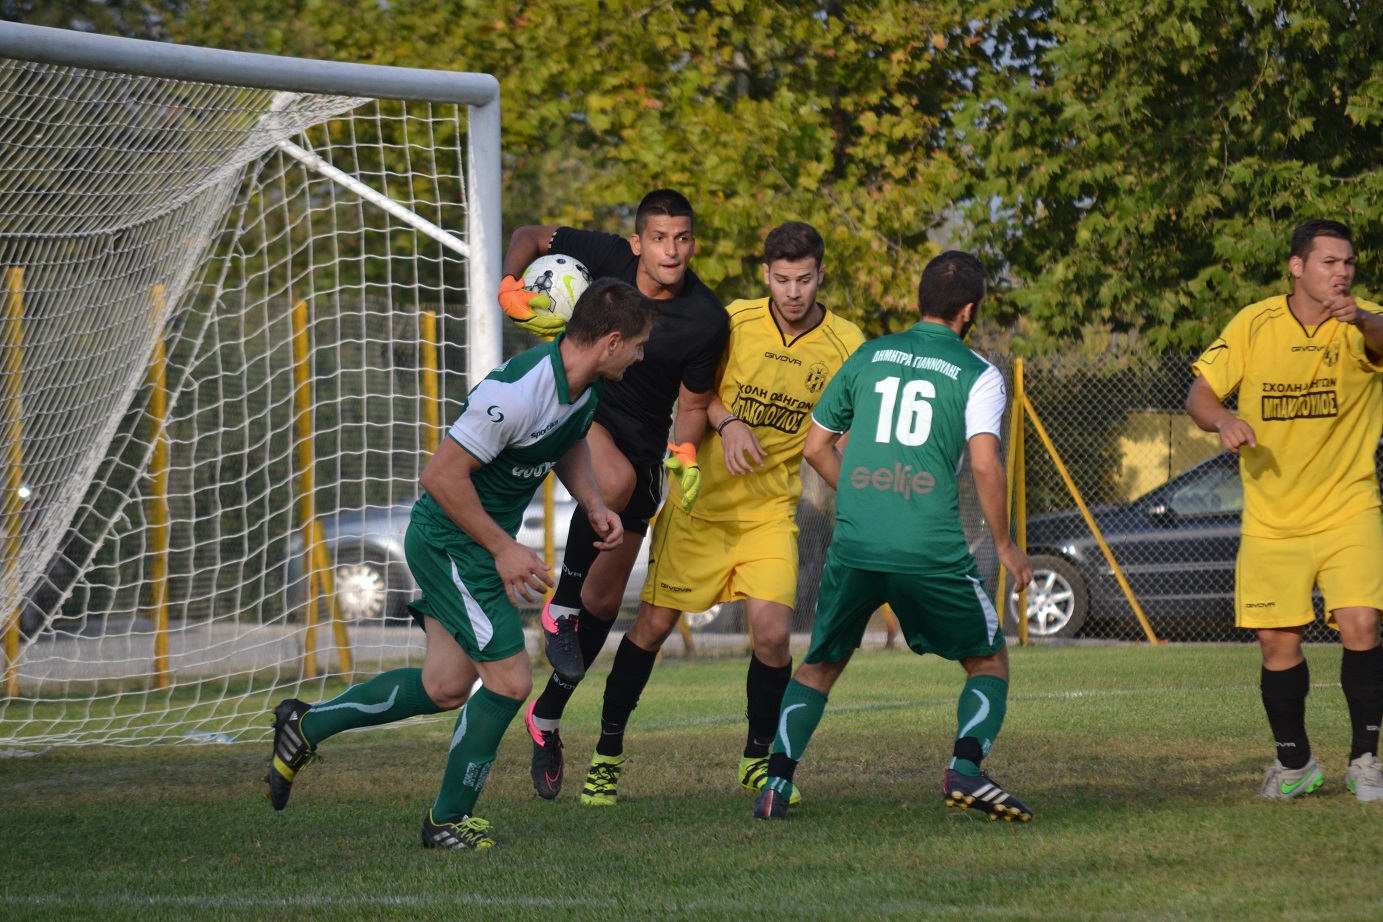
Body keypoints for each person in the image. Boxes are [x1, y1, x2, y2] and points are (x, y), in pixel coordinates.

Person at [263, 279, 659, 849]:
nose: (641, 358)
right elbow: (440, 476)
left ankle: (307, 725)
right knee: (511, 680)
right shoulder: (516, 392)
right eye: (638, 346)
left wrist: (594, 504)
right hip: (450, 543)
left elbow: (568, 440)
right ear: (612, 342)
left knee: (445, 686)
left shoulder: (585, 387)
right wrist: (503, 548)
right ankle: (447, 820)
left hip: (471, 546)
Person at [576, 221, 866, 806]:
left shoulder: (846, 344)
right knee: (651, 629)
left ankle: (758, 761)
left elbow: (845, 428)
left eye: (804, 280)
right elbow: (695, 395)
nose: (792, 292)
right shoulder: (731, 322)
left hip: (769, 514)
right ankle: (606, 756)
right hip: (699, 506)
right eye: (781, 279)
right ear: (766, 275)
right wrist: (728, 423)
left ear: (821, 276)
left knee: (774, 637)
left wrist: (865, 482)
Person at [753, 250, 1035, 822]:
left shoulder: (868, 355)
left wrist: (862, 496)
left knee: (819, 665)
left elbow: (815, 447)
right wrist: (1005, 544)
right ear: (969, 310)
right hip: (928, 545)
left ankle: (775, 785)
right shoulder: (979, 373)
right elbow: (985, 464)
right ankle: (965, 769)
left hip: (856, 542)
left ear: (920, 301)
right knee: (988, 660)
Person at [497, 190, 728, 800]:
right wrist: (509, 284)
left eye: (681, 238)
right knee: (615, 483)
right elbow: (530, 233)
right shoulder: (605, 258)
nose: (670, 250)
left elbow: (694, 406)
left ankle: (546, 718)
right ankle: (559, 608)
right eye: (659, 238)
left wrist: (684, 456)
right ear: (636, 243)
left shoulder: (707, 318)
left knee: (604, 604)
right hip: (582, 411)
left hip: (645, 448)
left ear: (693, 244)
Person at [1186, 219, 1383, 803]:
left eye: (1348, 262)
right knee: (1277, 643)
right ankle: (1295, 764)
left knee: (1362, 624)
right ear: (1297, 267)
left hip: (1350, 506)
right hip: (1273, 518)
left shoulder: (1367, 320)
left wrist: (1363, 320)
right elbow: (1200, 393)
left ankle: (1366, 760)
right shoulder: (1254, 323)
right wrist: (1224, 420)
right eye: (1329, 262)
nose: (1342, 272)